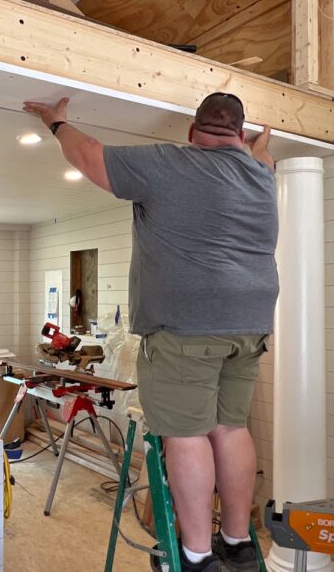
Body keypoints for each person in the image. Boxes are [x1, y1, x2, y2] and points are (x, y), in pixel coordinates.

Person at [24, 93, 279, 572]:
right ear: (239, 138)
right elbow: (262, 156)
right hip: (250, 322)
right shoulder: (261, 175)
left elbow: (88, 154)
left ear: (190, 133)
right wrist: (260, 145)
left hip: (187, 324)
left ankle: (197, 554)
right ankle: (240, 543)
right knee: (230, 427)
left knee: (186, 435)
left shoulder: (169, 164)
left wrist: (57, 122)